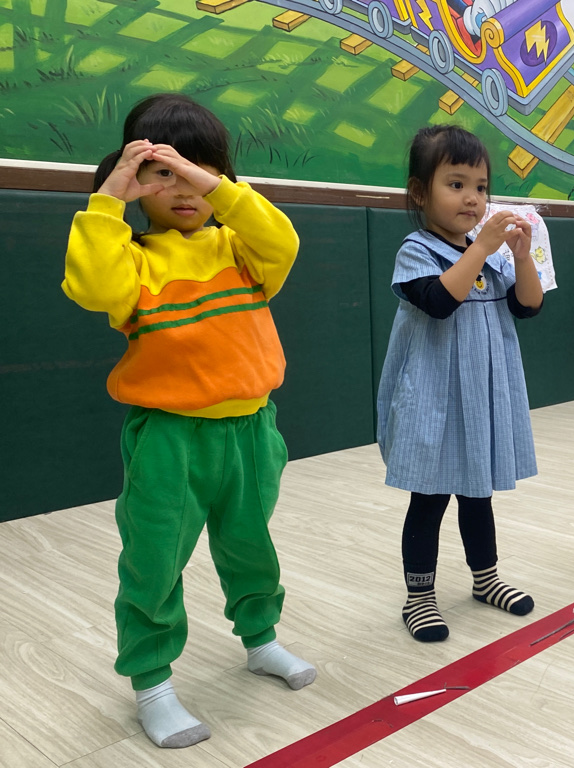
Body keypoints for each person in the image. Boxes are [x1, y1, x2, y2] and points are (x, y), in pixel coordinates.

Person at [62, 93, 314, 749]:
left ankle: (260, 640)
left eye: (198, 171)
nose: (183, 188)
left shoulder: (243, 249)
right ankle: (152, 684)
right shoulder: (133, 260)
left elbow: (282, 238)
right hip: (169, 439)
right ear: (134, 180)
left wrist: (215, 185)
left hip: (251, 431)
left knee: (251, 545)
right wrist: (108, 200)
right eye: (163, 174)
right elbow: (92, 286)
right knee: (154, 560)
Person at [377, 125, 544, 642]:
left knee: (478, 494)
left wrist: (520, 255)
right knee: (429, 499)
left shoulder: (489, 252)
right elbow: (439, 302)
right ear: (419, 192)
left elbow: (528, 305)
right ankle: (419, 597)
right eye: (456, 184)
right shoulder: (416, 249)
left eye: (481, 187)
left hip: (482, 396)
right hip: (434, 399)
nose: (473, 198)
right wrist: (485, 246)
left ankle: (485, 579)